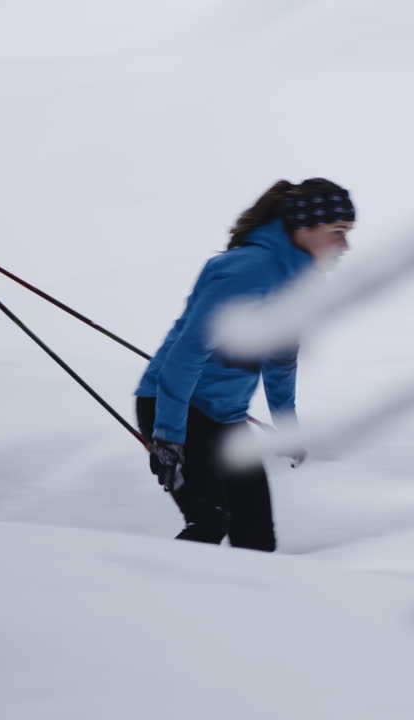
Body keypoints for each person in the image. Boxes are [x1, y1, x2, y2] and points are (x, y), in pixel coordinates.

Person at [134, 178, 354, 551]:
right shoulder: (247, 271)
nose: (344, 245)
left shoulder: (298, 284)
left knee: (257, 540)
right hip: (174, 408)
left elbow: (280, 364)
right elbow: (188, 354)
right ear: (305, 227)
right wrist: (168, 437)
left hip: (226, 419)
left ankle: (239, 607)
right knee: (209, 521)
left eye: (347, 233)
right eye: (337, 232)